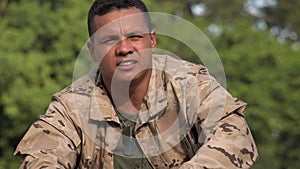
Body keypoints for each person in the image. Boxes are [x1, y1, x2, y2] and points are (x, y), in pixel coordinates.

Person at [14, 0, 258, 168]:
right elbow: (40, 157)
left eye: (134, 37)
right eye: (109, 40)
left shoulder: (188, 83)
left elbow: (234, 133)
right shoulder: (71, 106)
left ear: (152, 41)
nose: (124, 49)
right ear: (93, 51)